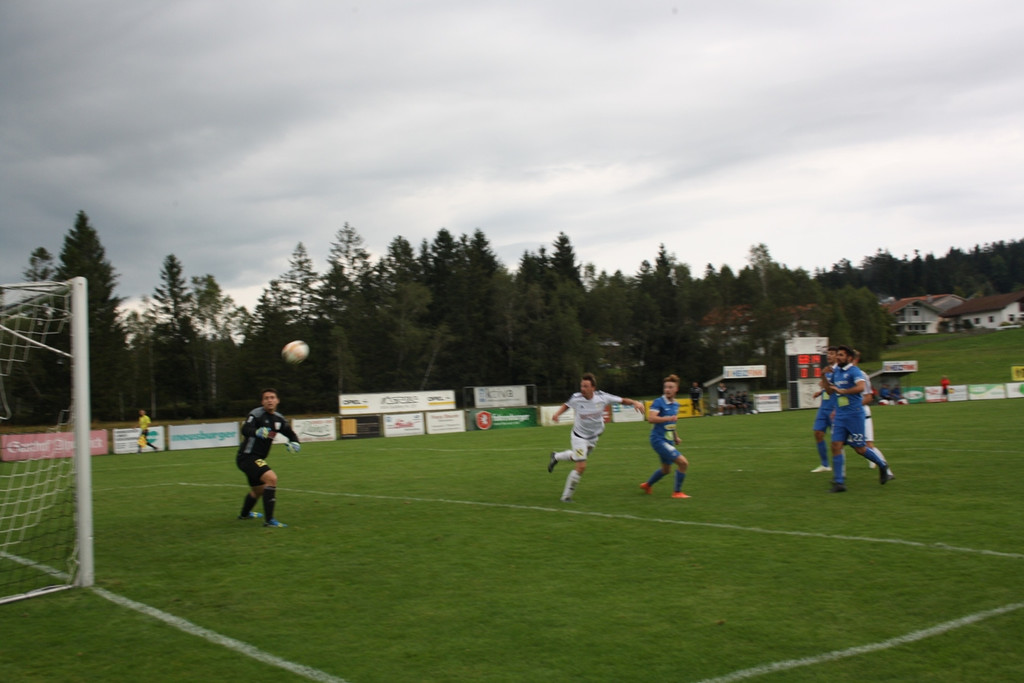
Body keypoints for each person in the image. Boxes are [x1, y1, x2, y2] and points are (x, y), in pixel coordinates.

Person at [547, 372, 643, 502]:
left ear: (593, 388)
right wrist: (557, 414)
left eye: (586, 386)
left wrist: (635, 402)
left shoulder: (602, 397)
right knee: (581, 466)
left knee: (578, 457)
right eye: (582, 386)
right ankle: (566, 497)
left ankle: (556, 456)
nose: (583, 389)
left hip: (594, 437)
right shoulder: (576, 398)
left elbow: (622, 400)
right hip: (579, 436)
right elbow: (566, 405)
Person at [827, 345, 893, 492]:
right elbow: (830, 390)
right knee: (835, 445)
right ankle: (839, 483)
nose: (838, 357)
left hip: (854, 415)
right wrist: (824, 379)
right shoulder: (835, 371)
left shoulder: (855, 371)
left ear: (849, 358)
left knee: (860, 448)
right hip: (840, 415)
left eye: (841, 355)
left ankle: (882, 465)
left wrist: (843, 391)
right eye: (838, 355)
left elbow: (861, 387)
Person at [236, 388, 301, 527]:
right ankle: (269, 520)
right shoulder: (256, 414)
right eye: (266, 398)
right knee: (271, 479)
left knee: (258, 490)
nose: (269, 400)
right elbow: (245, 429)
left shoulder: (279, 419)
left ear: (277, 400)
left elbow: (290, 433)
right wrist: (256, 431)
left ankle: (244, 514)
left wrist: (295, 442)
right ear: (262, 402)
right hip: (247, 456)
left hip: (256, 457)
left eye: (272, 397)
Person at [640, 374, 690, 498]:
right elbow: (651, 418)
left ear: (676, 389)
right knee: (683, 463)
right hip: (658, 439)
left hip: (668, 440)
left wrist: (675, 436)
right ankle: (677, 492)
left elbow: (672, 423)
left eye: (670, 387)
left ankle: (647, 485)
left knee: (666, 470)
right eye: (666, 387)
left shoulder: (676, 405)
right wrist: (667, 418)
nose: (667, 389)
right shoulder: (659, 402)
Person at [852, 351, 893, 475]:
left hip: (863, 415)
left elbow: (868, 397)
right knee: (843, 444)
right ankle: (839, 477)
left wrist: (853, 407)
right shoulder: (842, 374)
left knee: (867, 445)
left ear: (855, 360)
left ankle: (887, 471)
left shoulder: (861, 375)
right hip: (849, 416)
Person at [810, 347, 837, 473]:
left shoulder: (839, 371)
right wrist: (820, 392)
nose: (829, 356)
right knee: (818, 433)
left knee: (838, 440)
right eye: (828, 354)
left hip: (834, 409)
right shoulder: (827, 370)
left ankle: (869, 454)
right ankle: (825, 464)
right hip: (823, 407)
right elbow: (828, 388)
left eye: (832, 354)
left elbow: (835, 388)